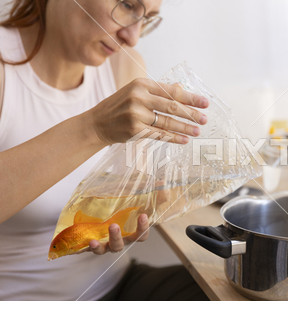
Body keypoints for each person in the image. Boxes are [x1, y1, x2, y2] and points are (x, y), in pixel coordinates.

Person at [0, 0, 209, 301]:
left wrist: (146, 208)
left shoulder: (123, 65)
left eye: (146, 19)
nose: (132, 37)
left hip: (114, 286)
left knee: (238, 292)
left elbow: (136, 190)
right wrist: (94, 128)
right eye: (127, 5)